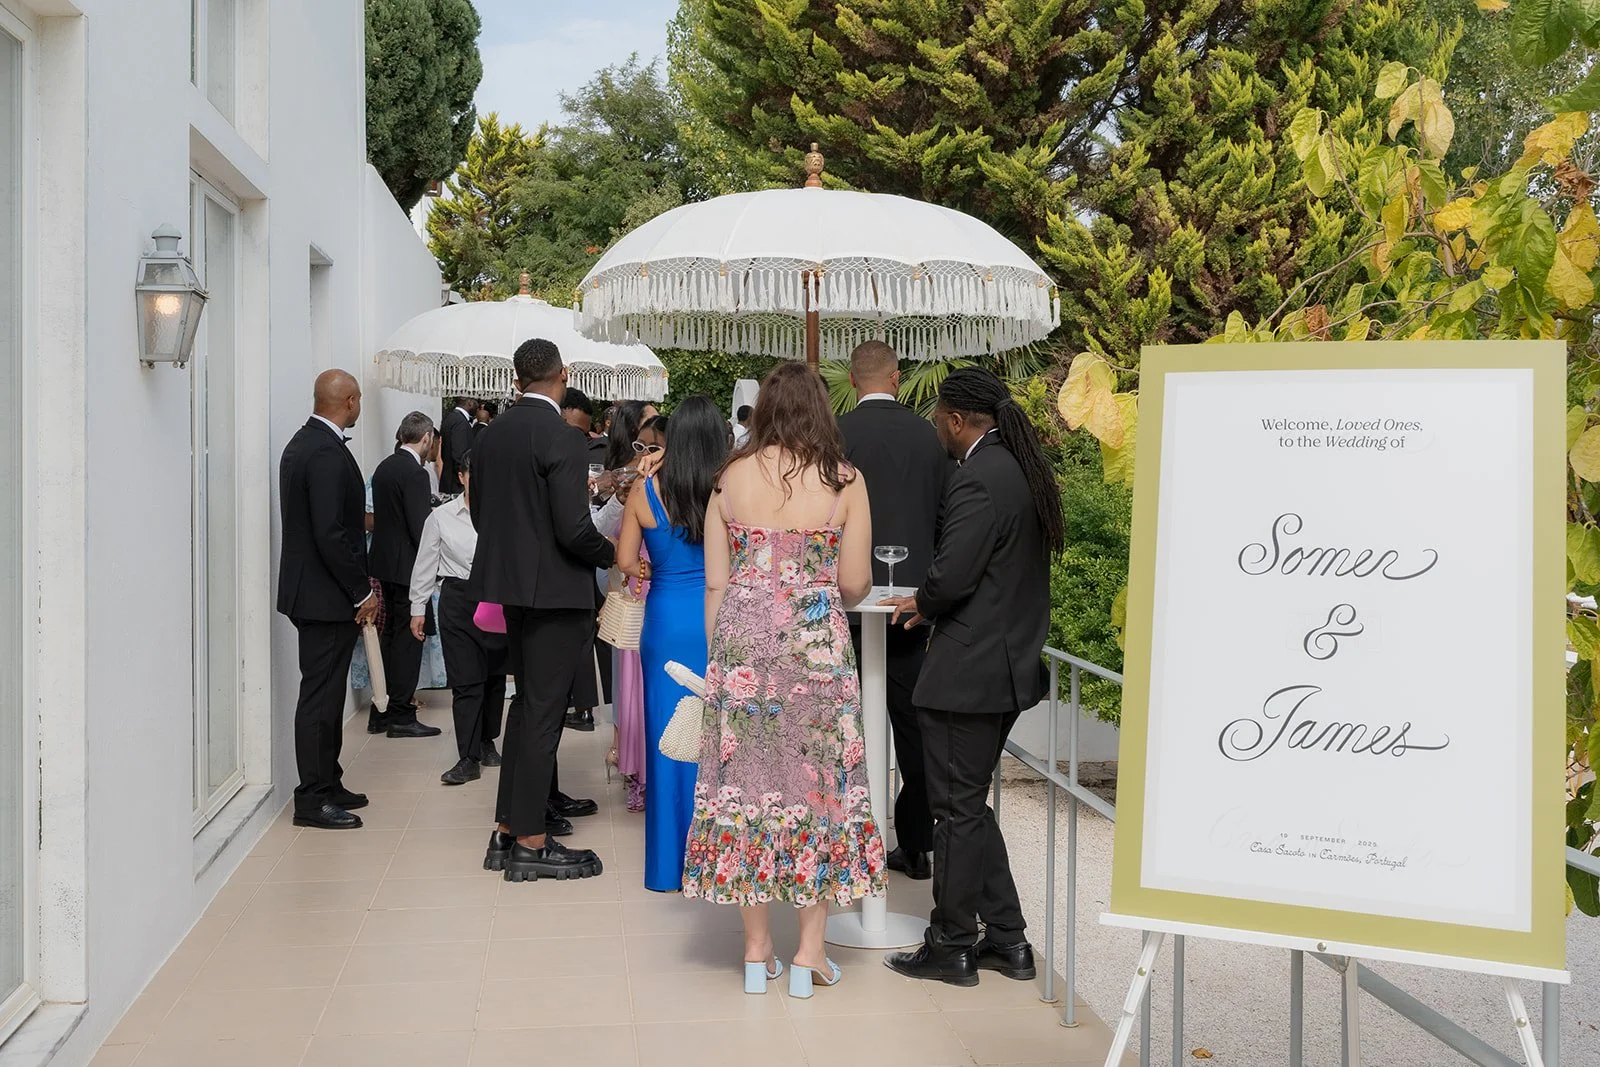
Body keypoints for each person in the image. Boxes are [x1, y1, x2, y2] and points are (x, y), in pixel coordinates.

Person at [684, 362, 885, 999]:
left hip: (742, 642)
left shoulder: (729, 477)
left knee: (746, 788)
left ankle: (755, 951)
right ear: (821, 409)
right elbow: (854, 582)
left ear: (765, 409)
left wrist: (724, 657)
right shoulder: (845, 480)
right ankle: (809, 955)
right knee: (818, 788)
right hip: (815, 644)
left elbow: (715, 583)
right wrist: (814, 591)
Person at [882, 368, 1063, 987]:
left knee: (954, 811)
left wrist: (923, 601)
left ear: (957, 421)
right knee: (967, 806)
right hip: (1003, 663)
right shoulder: (1017, 469)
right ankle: (1007, 940)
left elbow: (954, 572)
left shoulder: (978, 478)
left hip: (972, 667)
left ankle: (953, 942)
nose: (936, 428)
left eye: (938, 418)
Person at [469, 337, 614, 883]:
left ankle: (508, 829)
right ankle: (530, 842)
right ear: (563, 374)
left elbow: (480, 514)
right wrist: (614, 555)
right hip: (555, 592)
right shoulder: (563, 437)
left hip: (510, 588)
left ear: (516, 379)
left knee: (526, 706)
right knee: (543, 715)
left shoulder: (490, 435)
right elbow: (574, 529)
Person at [837, 341, 951, 880]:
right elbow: (945, 515)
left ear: (852, 381)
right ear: (897, 378)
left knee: (842, 724)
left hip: (845, 600)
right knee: (915, 727)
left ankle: (845, 841)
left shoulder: (835, 435)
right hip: (913, 603)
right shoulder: (930, 436)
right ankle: (917, 842)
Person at [618, 396, 728, 891]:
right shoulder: (728, 486)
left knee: (667, 740)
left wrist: (651, 569)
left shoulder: (645, 490)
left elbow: (625, 560)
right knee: (719, 740)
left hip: (664, 622)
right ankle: (717, 861)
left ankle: (668, 867)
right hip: (717, 617)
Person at [277, 369, 378, 830]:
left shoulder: (308, 442)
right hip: (325, 596)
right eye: (359, 400)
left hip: (317, 593)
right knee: (319, 697)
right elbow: (331, 533)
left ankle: (329, 781)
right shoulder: (321, 451)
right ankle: (311, 798)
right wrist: (362, 591)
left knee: (329, 692)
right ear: (350, 400)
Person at [410, 453, 505, 786]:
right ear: (461, 477)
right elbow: (425, 562)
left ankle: (487, 740)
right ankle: (468, 757)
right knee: (466, 679)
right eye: (472, 475)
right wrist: (417, 608)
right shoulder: (441, 517)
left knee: (494, 675)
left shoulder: (504, 513)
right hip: (458, 600)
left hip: (496, 598)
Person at [367, 412, 444, 739]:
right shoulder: (415, 473)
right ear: (426, 438)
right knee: (410, 640)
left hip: (384, 564)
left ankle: (381, 710)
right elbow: (420, 528)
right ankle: (401, 713)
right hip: (408, 568)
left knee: (391, 637)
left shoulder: (384, 467)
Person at [591, 400, 649, 805]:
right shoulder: (621, 474)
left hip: (642, 574)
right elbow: (599, 530)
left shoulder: (660, 473)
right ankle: (623, 745)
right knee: (625, 661)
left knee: (635, 669)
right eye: (649, 421)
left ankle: (627, 749)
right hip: (624, 576)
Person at [439, 396, 477, 495]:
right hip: (457, 485)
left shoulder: (450, 417)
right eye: (475, 401)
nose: (478, 405)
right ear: (469, 402)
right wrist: (465, 480)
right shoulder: (460, 422)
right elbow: (459, 455)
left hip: (449, 480)